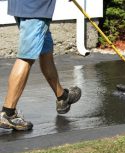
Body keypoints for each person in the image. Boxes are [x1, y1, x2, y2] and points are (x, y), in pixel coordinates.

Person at [0, 0, 81, 131]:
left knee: (45, 51)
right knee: (26, 57)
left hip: (23, 5)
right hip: (36, 7)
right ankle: (8, 113)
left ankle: (62, 97)